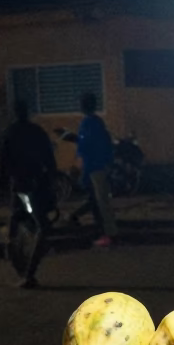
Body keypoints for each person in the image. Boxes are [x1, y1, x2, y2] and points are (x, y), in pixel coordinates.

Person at [0, 99, 58, 287]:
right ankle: (29, 271)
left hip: (20, 184)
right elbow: (49, 159)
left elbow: (4, 161)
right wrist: (51, 180)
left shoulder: (10, 132)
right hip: (35, 184)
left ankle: (23, 265)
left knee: (18, 222)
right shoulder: (37, 132)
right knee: (40, 224)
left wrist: (8, 179)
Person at [76, 92, 118, 247]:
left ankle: (108, 233)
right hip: (101, 166)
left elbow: (85, 147)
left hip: (94, 167)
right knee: (97, 200)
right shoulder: (98, 122)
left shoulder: (87, 124)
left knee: (100, 201)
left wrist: (82, 166)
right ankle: (104, 231)